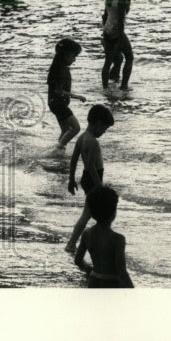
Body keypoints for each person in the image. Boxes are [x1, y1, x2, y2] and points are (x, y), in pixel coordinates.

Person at [64, 104, 115, 253]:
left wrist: (71, 178)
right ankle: (72, 243)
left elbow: (74, 159)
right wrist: (100, 188)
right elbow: (91, 166)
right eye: (104, 129)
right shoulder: (93, 141)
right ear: (98, 124)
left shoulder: (81, 137)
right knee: (88, 214)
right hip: (93, 179)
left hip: (87, 178)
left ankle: (78, 243)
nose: (103, 133)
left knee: (92, 213)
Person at [73, 186, 134, 288]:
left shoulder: (87, 234)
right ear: (113, 213)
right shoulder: (118, 239)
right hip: (112, 283)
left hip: (93, 281)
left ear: (92, 214)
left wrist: (89, 269)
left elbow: (78, 260)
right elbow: (122, 271)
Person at [46, 38, 86, 158]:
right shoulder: (60, 69)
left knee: (65, 130)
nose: (74, 59)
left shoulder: (58, 67)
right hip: (58, 104)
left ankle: (58, 152)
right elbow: (58, 91)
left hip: (54, 103)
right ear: (66, 55)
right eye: (73, 56)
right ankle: (56, 150)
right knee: (76, 128)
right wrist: (76, 96)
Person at [101, 0, 134, 91]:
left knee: (109, 60)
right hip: (117, 31)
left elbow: (105, 16)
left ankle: (105, 86)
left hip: (107, 30)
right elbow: (121, 20)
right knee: (129, 57)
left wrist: (104, 34)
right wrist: (120, 38)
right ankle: (124, 85)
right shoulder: (124, 0)